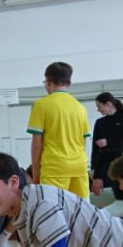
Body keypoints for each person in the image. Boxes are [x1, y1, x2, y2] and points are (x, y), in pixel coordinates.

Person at [27, 61, 91, 198]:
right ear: (69, 83)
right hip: (79, 167)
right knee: (82, 212)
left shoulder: (40, 105)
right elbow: (84, 143)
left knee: (53, 213)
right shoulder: (80, 108)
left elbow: (37, 145)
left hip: (54, 168)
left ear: (48, 81)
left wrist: (36, 175)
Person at [90, 92, 123, 196]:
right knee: (104, 193)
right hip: (104, 164)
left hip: (121, 161)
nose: (98, 110)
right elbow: (95, 148)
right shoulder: (99, 123)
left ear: (108, 104)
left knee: (121, 192)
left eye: (99, 106)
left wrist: (108, 142)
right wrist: (93, 168)